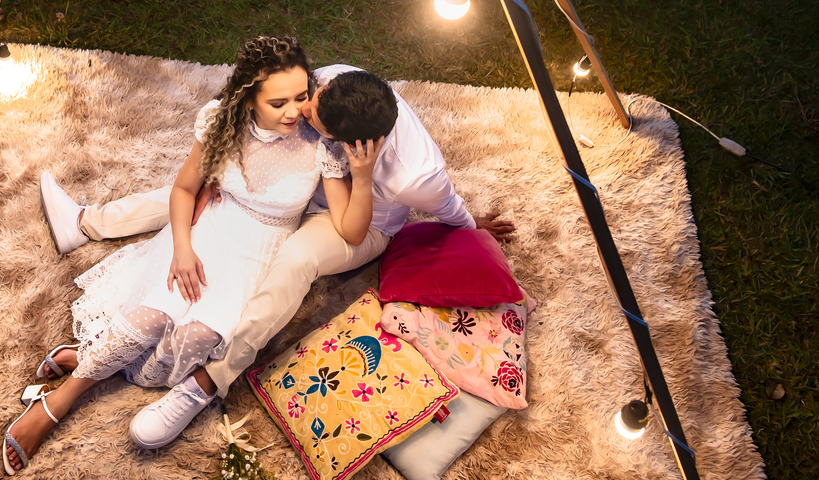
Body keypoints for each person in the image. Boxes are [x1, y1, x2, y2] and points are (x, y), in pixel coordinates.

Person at [39, 63, 516, 450]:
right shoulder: (336, 82)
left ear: (348, 144)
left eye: (311, 114)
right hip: (309, 184)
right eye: (311, 97)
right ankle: (84, 223)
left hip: (355, 221)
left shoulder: (417, 176)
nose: (302, 110)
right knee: (219, 189)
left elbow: (439, 210)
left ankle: (206, 383)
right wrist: (219, 175)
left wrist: (466, 226)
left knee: (295, 259)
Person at [3, 37, 381, 474]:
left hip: (259, 252)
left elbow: (352, 231)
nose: (295, 111)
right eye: (278, 103)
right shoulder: (221, 122)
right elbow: (184, 189)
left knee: (196, 338)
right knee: (154, 320)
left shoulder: (320, 142)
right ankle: (59, 400)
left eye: (300, 96)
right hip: (209, 229)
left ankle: (92, 353)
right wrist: (182, 249)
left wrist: (362, 175)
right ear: (249, 99)